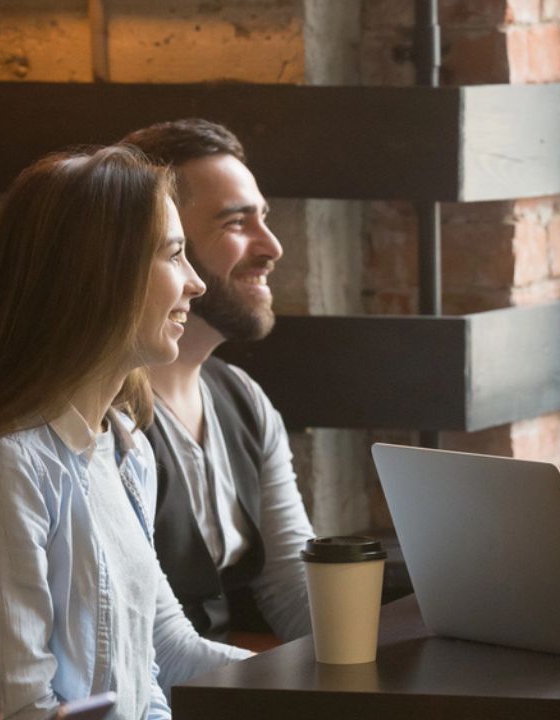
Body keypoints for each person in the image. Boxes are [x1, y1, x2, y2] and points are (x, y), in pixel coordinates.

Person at [0, 146, 250, 720]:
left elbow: (164, 657)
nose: (195, 284)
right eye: (175, 255)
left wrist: (325, 693)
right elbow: (20, 707)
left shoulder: (124, 447)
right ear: (101, 275)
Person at [120, 120, 317, 646]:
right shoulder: (101, 411)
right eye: (236, 223)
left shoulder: (243, 399)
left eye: (264, 218)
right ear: (162, 244)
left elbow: (292, 584)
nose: (271, 246)